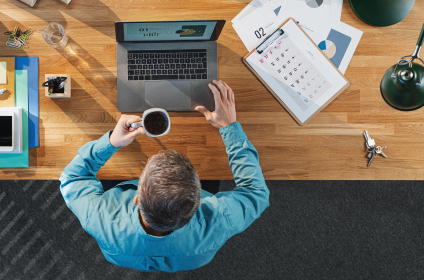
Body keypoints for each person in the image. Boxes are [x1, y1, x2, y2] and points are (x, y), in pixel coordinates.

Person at [60, 80, 269, 272]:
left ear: (136, 198)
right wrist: (229, 127)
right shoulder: (221, 222)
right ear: (198, 204)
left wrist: (112, 142)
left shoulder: (98, 217)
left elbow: (72, 178)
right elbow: (255, 193)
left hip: (123, 253)